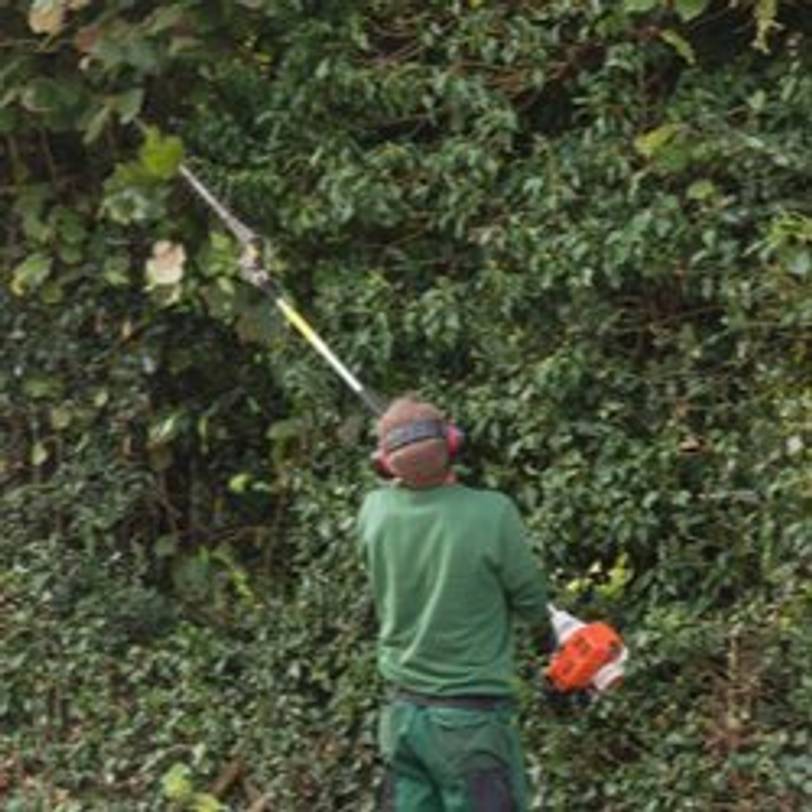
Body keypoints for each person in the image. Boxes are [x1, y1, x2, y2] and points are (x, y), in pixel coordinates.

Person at [357, 395, 551, 811]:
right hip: (472, 725)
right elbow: (533, 604)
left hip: (402, 718)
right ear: (453, 443)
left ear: (385, 463)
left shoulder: (374, 512)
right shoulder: (493, 513)